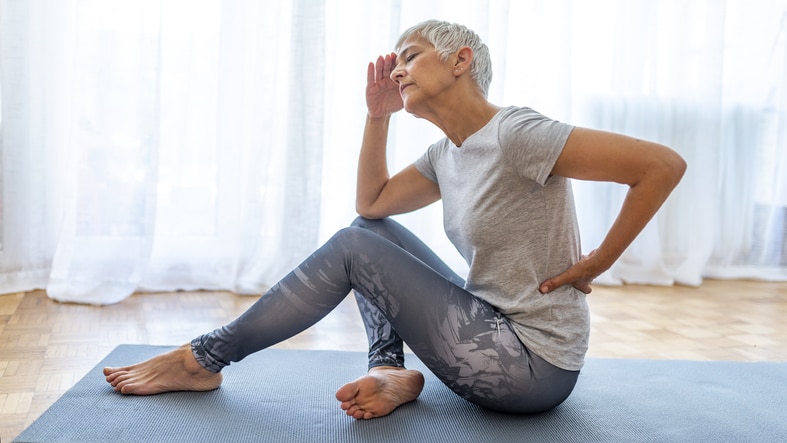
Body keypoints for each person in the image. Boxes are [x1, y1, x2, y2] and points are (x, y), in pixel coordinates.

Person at [103, 19, 686, 419]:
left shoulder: (516, 132)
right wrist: (377, 117)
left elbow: (660, 165)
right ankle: (390, 372)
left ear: (461, 61)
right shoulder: (446, 153)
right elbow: (372, 206)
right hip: (487, 330)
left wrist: (600, 260)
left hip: (531, 367)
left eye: (412, 56)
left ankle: (200, 359)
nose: (399, 69)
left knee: (356, 249)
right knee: (367, 236)